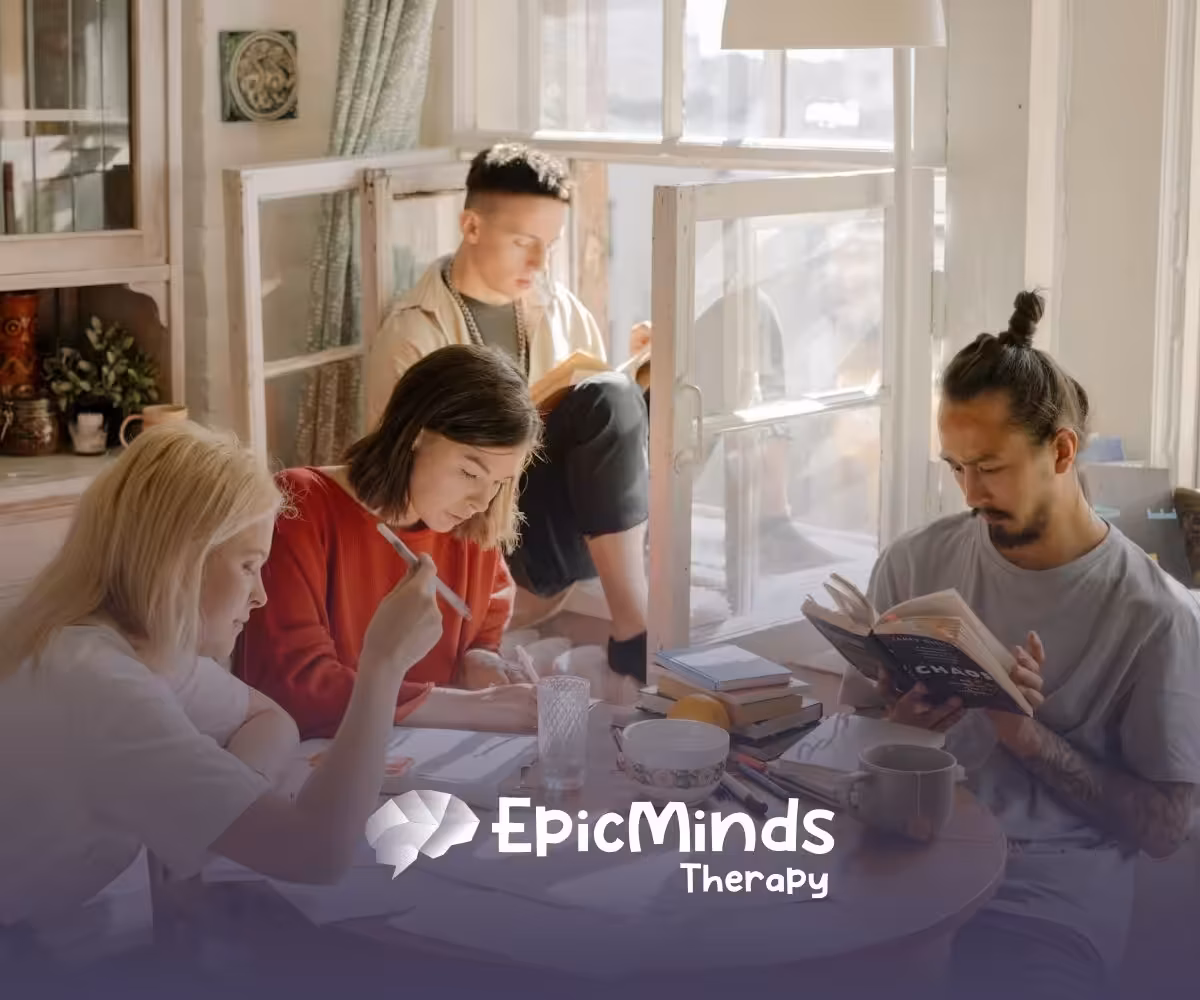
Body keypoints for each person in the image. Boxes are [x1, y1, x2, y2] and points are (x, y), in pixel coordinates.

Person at [838, 291, 1200, 999]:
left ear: (1061, 450)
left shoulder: (1155, 616)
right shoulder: (913, 564)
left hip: (1039, 905)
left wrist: (1027, 738)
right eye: (955, 467)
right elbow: (850, 746)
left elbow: (1166, 830)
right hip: (899, 867)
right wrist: (897, 726)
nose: (971, 492)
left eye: (991, 467)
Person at [0, 421, 447, 981]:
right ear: (179, 558)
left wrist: (218, 810)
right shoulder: (97, 682)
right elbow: (316, 852)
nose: (260, 595)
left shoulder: (130, 646)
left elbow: (269, 719)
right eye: (247, 565)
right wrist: (383, 665)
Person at [366, 143, 651, 681]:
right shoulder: (413, 334)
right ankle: (634, 631)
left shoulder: (561, 308)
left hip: (578, 532)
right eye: (523, 242)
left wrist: (641, 372)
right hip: (493, 542)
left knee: (653, 377)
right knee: (611, 397)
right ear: (470, 227)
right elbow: (400, 489)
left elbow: (599, 435)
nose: (540, 263)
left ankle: (638, 609)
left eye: (550, 244)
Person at [235, 344, 542, 740]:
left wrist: (479, 659)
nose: (482, 501)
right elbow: (295, 687)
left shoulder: (471, 523)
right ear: (415, 434)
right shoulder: (301, 506)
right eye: (469, 473)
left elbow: (485, 622)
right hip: (321, 768)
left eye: (499, 483)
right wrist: (476, 707)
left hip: (434, 764)